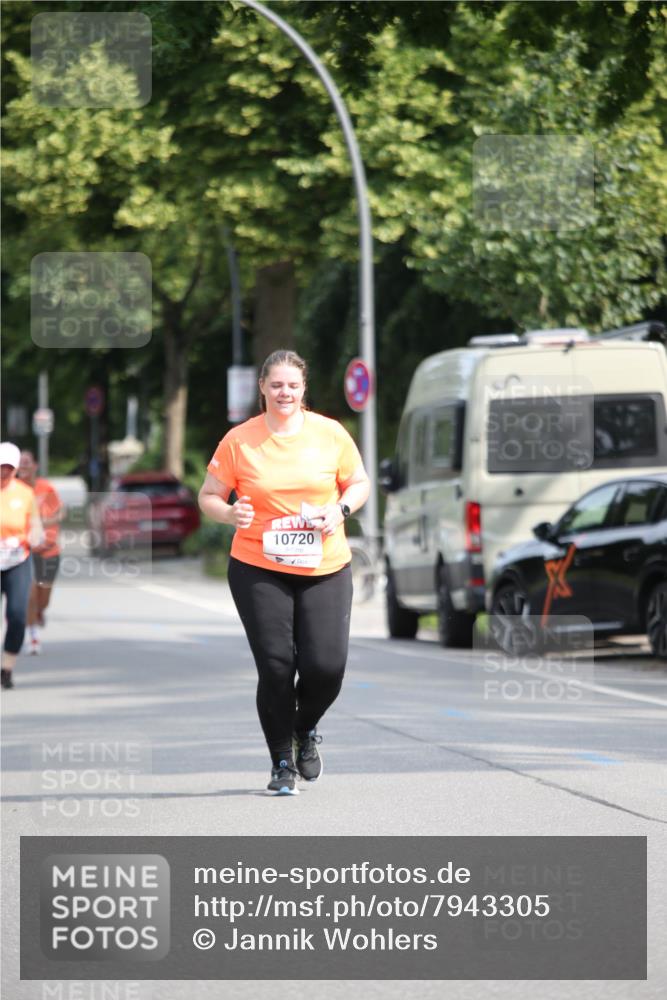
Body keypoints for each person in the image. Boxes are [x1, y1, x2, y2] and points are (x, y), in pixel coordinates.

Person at [199, 350, 370, 795]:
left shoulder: (330, 434)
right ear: (262, 388)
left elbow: (359, 482)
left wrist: (341, 509)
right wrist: (229, 513)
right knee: (277, 668)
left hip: (326, 565)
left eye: (292, 385)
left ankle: (304, 727)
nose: (285, 393)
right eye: (276, 385)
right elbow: (209, 495)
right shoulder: (240, 440)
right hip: (258, 566)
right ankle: (281, 764)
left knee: (326, 667)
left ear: (304, 388)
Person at [17, 450, 63, 655]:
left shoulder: (46, 487)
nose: (24, 467)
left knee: (43, 597)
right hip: (25, 550)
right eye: (20, 464)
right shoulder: (13, 490)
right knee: (30, 593)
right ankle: (33, 635)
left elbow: (61, 511)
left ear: (35, 466)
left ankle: (40, 611)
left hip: (49, 550)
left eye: (27, 463)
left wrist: (45, 522)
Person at [0, 442, 35, 689]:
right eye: (0, 467)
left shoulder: (25, 494)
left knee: (17, 615)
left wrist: (33, 537)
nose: (3, 472)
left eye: (8, 468)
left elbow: (36, 527)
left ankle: (7, 668)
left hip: (17, 560)